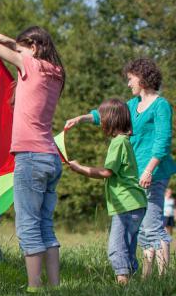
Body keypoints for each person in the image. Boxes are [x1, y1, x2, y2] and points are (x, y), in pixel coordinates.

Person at [66, 58, 174, 277]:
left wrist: (149, 170)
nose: (128, 84)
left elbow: (162, 141)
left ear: (142, 78)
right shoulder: (133, 105)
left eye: (130, 79)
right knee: (142, 229)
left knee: (152, 227)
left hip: (152, 173)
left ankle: (162, 279)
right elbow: (109, 115)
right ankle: (145, 277)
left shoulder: (160, 105)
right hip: (136, 175)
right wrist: (82, 118)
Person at [0, 27, 65, 292]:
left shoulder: (31, 64)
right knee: (45, 226)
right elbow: (18, 48)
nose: (18, 51)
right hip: (51, 157)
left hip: (30, 157)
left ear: (35, 47)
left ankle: (34, 286)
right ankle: (54, 286)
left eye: (23, 47)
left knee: (28, 225)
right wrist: (15, 42)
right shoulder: (56, 72)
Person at [66, 98, 146, 284]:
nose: (100, 121)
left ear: (111, 119)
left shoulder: (118, 143)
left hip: (126, 205)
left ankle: (122, 284)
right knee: (128, 246)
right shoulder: (125, 140)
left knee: (117, 247)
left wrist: (80, 169)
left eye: (102, 118)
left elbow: (106, 172)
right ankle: (132, 285)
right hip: (136, 204)